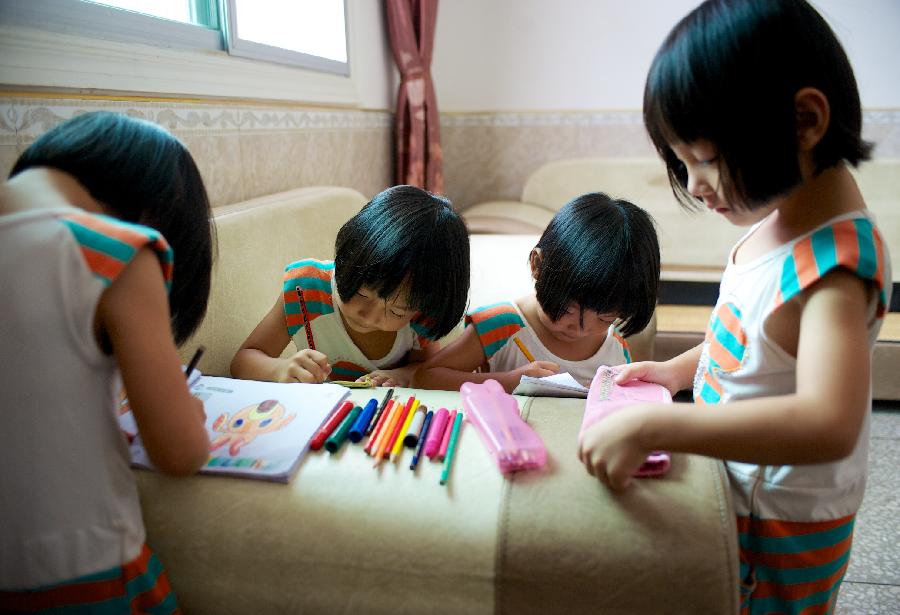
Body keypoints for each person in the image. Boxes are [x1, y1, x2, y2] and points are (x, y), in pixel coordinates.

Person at [577, 1, 892, 613]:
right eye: (683, 163)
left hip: (784, 526)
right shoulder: (777, 222)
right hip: (744, 493)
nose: (695, 185)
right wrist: (677, 372)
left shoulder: (834, 271)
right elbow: (748, 340)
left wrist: (658, 424)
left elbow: (830, 424)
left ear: (804, 121)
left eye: (707, 159)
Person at [0, 112, 213, 611]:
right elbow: (180, 454)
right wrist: (186, 417)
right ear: (152, 212)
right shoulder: (116, 251)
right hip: (86, 570)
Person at [413, 192, 660, 393]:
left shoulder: (614, 347)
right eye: (568, 310)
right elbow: (426, 378)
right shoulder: (501, 326)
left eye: (605, 319)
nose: (580, 329)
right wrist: (509, 381)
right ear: (537, 266)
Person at [231, 184, 470, 388]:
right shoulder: (305, 291)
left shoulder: (420, 310)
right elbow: (243, 361)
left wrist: (401, 375)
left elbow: (426, 370)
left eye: (397, 312)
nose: (368, 315)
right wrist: (280, 370)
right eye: (361, 293)